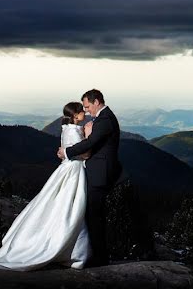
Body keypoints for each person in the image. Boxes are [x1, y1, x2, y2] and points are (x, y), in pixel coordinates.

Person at [0, 102, 91, 271]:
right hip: (74, 171)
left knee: (60, 204)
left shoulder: (66, 128)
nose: (85, 113)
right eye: (82, 111)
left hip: (66, 169)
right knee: (72, 207)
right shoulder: (75, 131)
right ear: (75, 115)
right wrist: (89, 138)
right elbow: (83, 153)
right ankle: (69, 251)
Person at [57, 88, 122, 267]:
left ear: (96, 102)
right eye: (83, 108)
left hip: (100, 174)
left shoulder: (105, 120)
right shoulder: (101, 118)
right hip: (95, 172)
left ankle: (100, 258)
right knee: (92, 215)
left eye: (87, 107)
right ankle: (96, 255)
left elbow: (91, 143)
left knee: (95, 216)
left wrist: (67, 151)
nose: (86, 111)